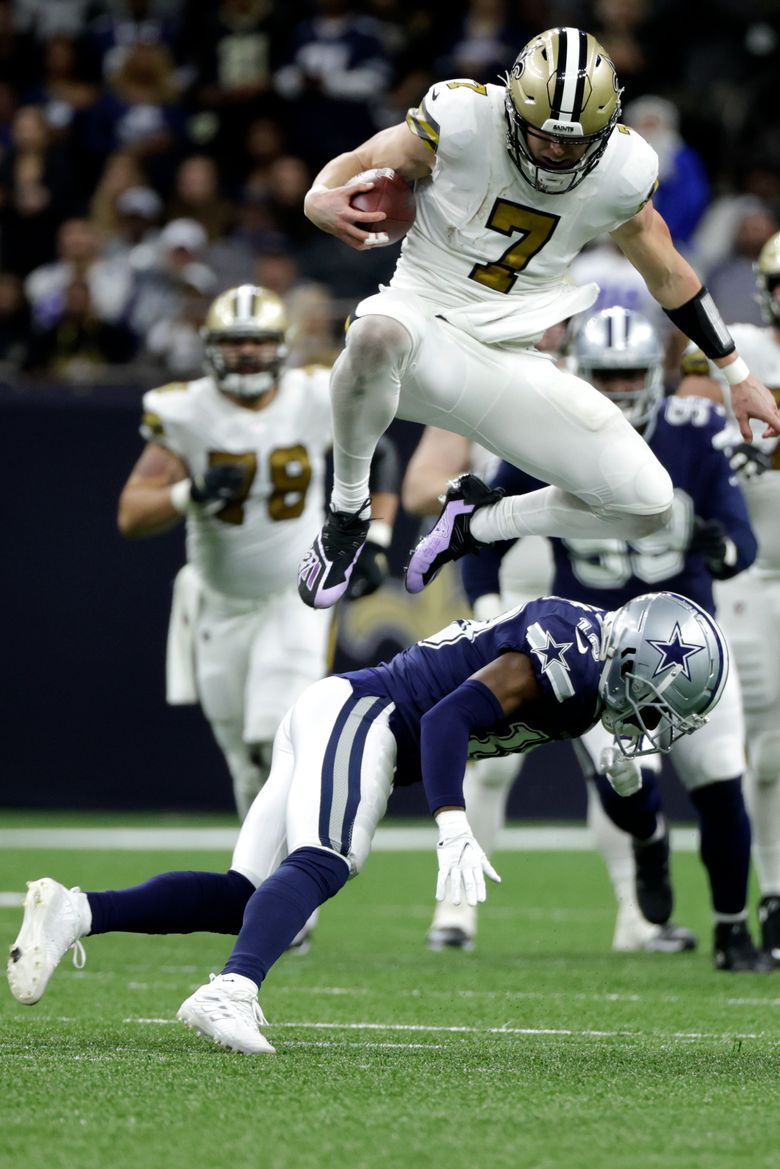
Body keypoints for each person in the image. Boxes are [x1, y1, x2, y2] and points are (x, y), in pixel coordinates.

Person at [8, 589, 729, 1053]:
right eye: (660, 704)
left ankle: (74, 912)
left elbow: (630, 803)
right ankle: (231, 992)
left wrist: (636, 796)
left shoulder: (592, 669)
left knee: (244, 895)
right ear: (635, 659)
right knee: (327, 858)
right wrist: (452, 820)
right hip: (368, 713)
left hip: (340, 711)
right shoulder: (567, 653)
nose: (656, 722)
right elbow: (449, 717)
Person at [295, 25, 780, 612]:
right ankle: (348, 511)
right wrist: (318, 195)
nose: (556, 151)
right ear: (512, 106)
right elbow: (366, 160)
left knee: (646, 504)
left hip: (513, 359)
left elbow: (670, 274)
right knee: (374, 331)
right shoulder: (462, 117)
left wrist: (739, 375)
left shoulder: (623, 169)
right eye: (544, 136)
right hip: (424, 327)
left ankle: (477, 524)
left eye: (574, 144)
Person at [458, 307, 768, 971]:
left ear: (655, 372)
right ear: (581, 376)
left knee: (721, 783)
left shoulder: (697, 427)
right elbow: (480, 536)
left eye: (631, 372)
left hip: (693, 638)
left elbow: (742, 544)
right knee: (626, 785)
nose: (620, 387)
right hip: (600, 650)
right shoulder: (547, 436)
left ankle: (732, 927)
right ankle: (651, 840)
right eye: (606, 375)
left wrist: (721, 547)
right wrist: (487, 610)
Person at [117, 284, 398, 827]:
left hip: (293, 594)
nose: (246, 352)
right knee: (245, 761)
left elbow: (379, 450)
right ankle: (262, 878)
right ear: (211, 347)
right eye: (234, 341)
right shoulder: (185, 410)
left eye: (258, 341)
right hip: (218, 603)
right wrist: (189, 493)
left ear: (281, 346)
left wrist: (376, 538)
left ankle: (294, 879)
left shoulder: (313, 395)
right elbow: (130, 514)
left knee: (277, 737)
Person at [676, 230, 780, 964]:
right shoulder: (737, 345)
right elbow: (687, 419)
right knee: (768, 745)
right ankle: (772, 895)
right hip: (751, 570)